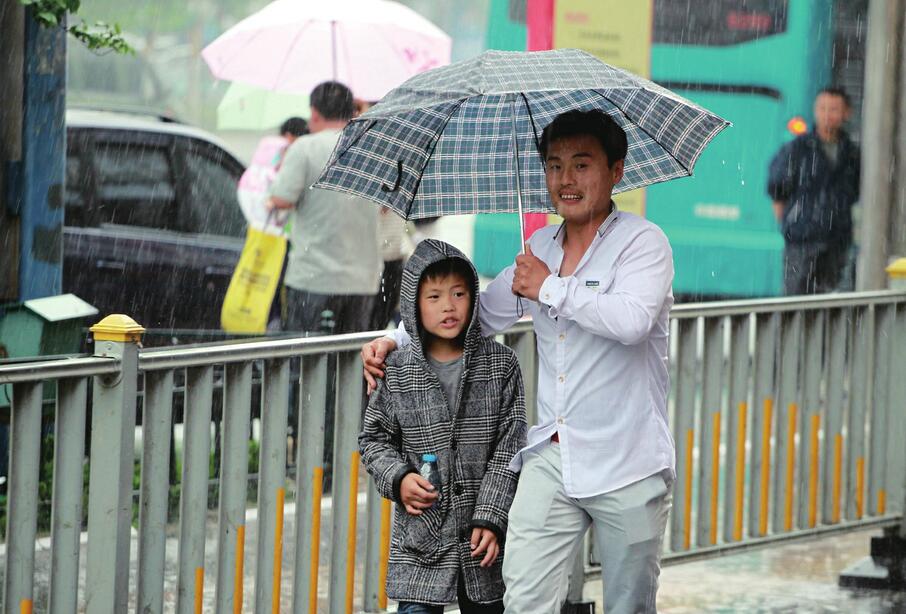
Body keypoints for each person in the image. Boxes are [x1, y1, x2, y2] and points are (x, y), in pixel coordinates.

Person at [362, 109, 676, 613]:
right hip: (554, 454)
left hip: (628, 458)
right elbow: (476, 316)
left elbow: (632, 321)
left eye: (581, 165)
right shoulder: (540, 247)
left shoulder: (643, 243)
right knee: (524, 595)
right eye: (554, 166)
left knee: (629, 604)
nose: (565, 181)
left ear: (616, 171)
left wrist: (549, 287)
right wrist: (394, 340)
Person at [359, 239, 527, 613]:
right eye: (433, 297)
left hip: (482, 542)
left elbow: (510, 448)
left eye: (459, 294)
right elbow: (374, 440)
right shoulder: (399, 369)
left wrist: (492, 515)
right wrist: (400, 478)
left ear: (473, 297)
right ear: (413, 305)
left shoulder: (501, 366)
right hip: (421, 538)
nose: (448, 306)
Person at [268, 81, 381, 333]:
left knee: (305, 360)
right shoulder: (371, 148)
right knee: (352, 360)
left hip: (312, 276)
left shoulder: (304, 147)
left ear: (314, 112)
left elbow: (281, 199)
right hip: (362, 279)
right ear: (352, 110)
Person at [767, 86, 860, 295]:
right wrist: (792, 223)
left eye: (834, 109)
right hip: (802, 239)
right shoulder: (798, 148)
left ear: (847, 113)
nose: (827, 115)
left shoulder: (852, 153)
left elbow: (855, 192)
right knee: (796, 302)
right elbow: (777, 188)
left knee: (832, 302)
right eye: (822, 108)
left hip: (837, 241)